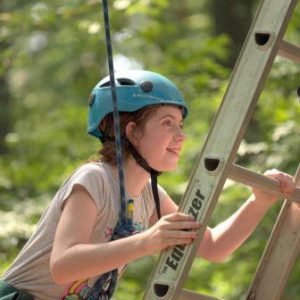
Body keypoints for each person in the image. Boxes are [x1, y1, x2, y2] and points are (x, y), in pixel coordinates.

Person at [0, 70, 296, 300]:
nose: (181, 135)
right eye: (167, 123)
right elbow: (63, 265)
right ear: (131, 132)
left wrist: (258, 201)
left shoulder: (149, 196)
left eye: (181, 125)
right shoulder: (94, 179)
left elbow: (213, 247)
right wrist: (147, 241)